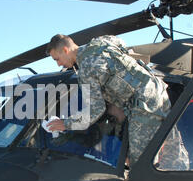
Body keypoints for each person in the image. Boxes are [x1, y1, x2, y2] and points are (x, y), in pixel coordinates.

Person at [46, 34, 171, 166]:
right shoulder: (100, 42)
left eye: (57, 59)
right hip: (160, 92)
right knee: (172, 151)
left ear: (66, 50)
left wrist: (66, 124)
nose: (59, 64)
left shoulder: (87, 69)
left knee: (141, 164)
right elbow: (120, 42)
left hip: (144, 107)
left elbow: (95, 110)